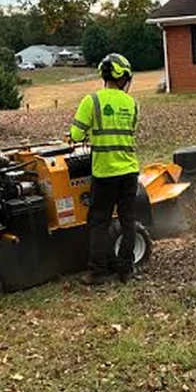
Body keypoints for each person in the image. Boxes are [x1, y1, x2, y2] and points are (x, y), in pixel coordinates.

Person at [69, 53, 140, 285]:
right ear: (122, 77)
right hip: (129, 171)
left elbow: (76, 135)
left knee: (99, 222)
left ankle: (98, 272)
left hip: (104, 173)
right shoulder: (132, 104)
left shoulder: (92, 101)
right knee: (128, 220)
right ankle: (126, 270)